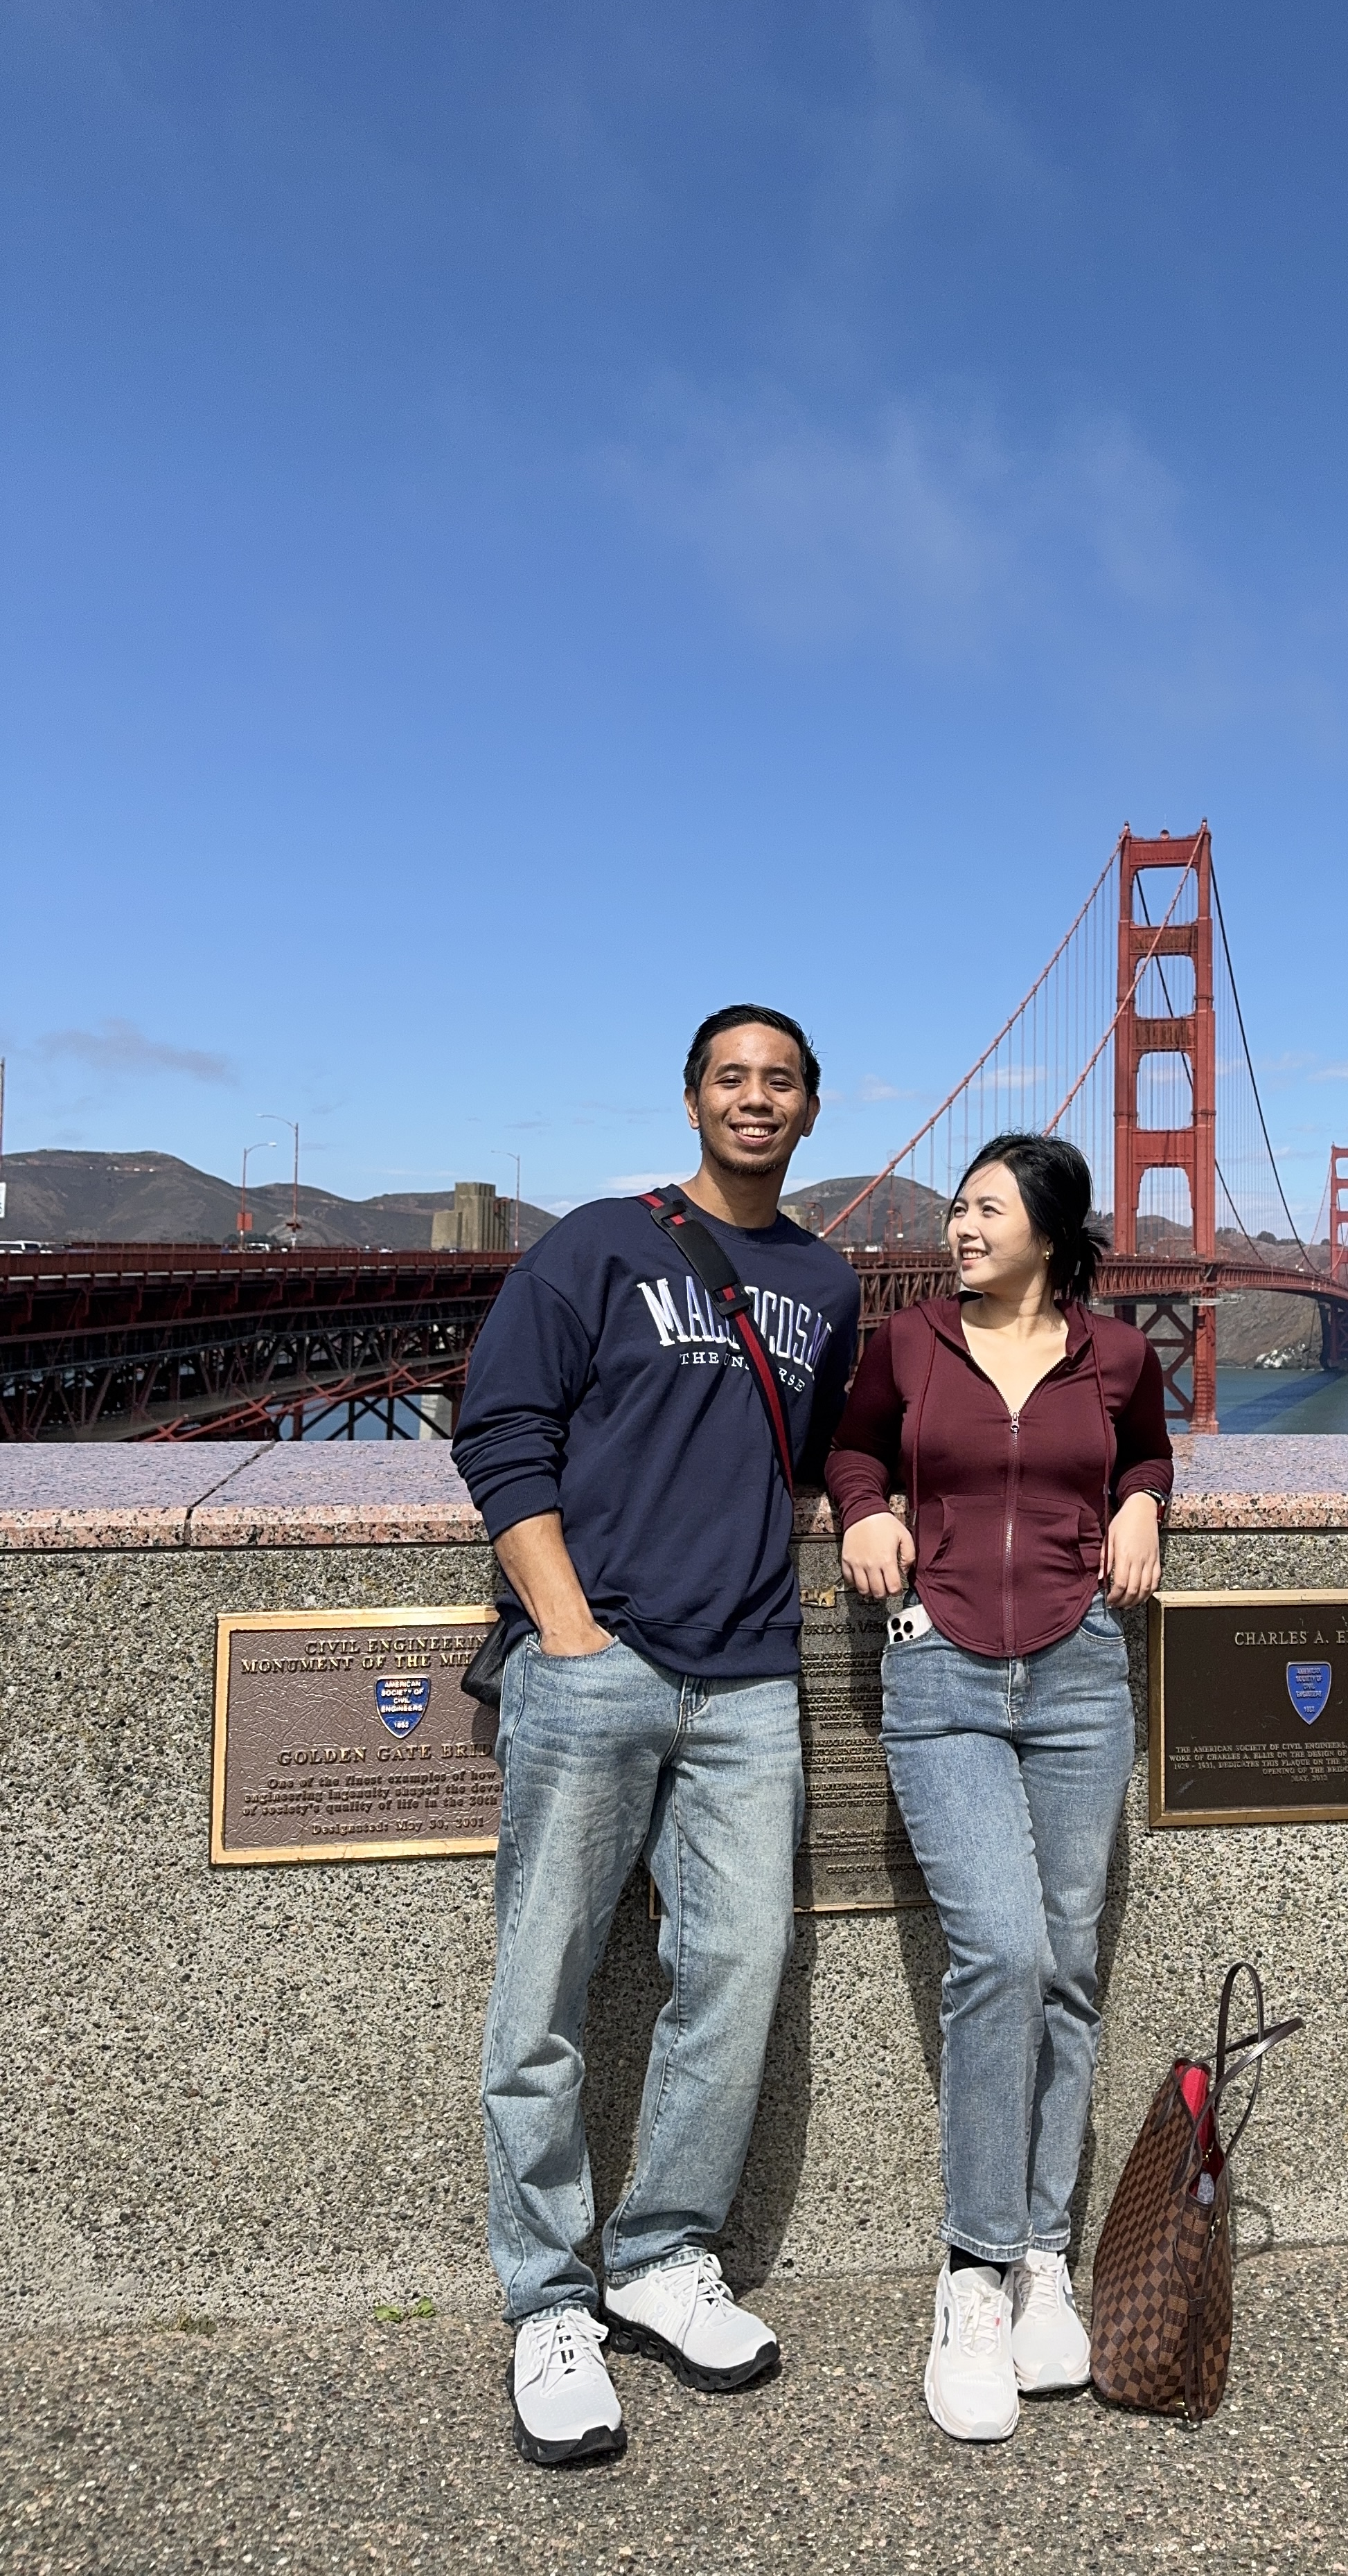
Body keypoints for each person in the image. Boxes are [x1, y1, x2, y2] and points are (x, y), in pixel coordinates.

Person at [453, 1005, 859, 2468]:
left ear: (811, 1110)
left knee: (737, 1976)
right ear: (693, 1101)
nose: (756, 1098)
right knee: (542, 1991)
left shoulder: (827, 1282)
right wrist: (568, 1628)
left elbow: (823, 1454)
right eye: (731, 1077)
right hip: (596, 1665)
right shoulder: (594, 1247)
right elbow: (500, 1431)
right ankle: (547, 2300)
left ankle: (664, 2255)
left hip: (749, 1681)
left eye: (780, 1081)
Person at [825, 1130, 1172, 2443]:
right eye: (958, 1209)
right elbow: (852, 1451)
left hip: (1081, 1674)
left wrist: (1143, 1502)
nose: (961, 1229)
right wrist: (866, 1510)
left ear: (1050, 1231)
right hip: (942, 1675)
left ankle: (1044, 2260)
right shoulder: (909, 1344)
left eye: (986, 1210)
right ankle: (972, 2276)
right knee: (1005, 1952)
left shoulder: (1119, 1355)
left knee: (1070, 1967)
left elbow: (1144, 1452)